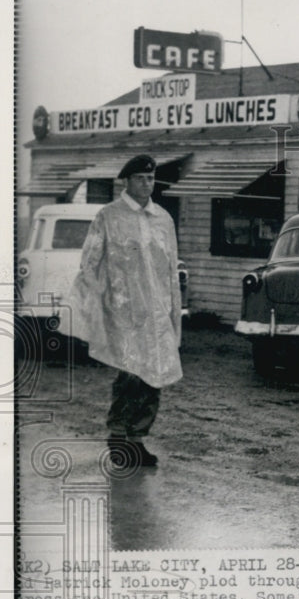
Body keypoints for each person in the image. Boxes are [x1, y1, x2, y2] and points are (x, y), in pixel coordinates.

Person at [71, 154, 183, 467]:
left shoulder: (163, 218)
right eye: (140, 179)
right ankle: (118, 437)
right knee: (131, 375)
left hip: (157, 312)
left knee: (154, 376)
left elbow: (171, 269)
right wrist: (104, 299)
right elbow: (89, 262)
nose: (147, 184)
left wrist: (175, 311)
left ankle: (137, 440)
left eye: (151, 178)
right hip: (124, 312)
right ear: (127, 180)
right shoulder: (109, 216)